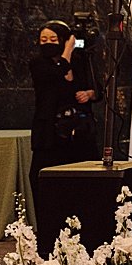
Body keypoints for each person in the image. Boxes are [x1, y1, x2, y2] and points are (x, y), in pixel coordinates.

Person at [29, 20, 100, 184]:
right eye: (43, 40)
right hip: (50, 132)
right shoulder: (38, 64)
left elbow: (98, 90)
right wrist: (68, 48)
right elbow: (58, 71)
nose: (48, 44)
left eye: (53, 40)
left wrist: (90, 94)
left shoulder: (79, 60)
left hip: (78, 131)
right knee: (46, 178)